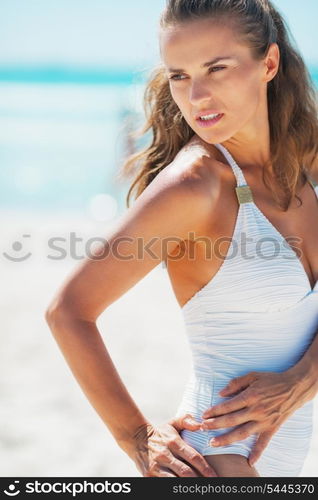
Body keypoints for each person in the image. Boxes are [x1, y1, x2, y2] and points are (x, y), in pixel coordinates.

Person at [45, 0, 318, 478]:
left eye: (217, 68)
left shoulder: (306, 159)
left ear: (268, 64)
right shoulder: (196, 185)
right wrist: (137, 437)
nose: (198, 97)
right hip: (217, 460)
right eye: (180, 76)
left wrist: (304, 377)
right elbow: (68, 311)